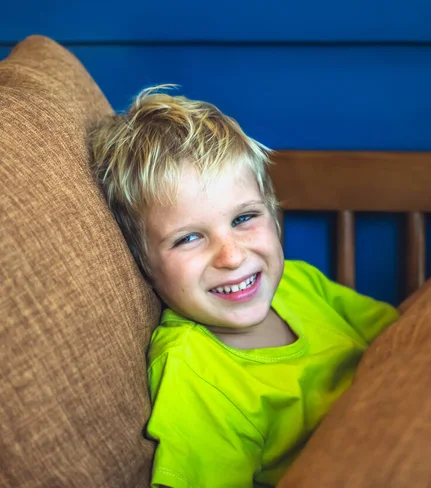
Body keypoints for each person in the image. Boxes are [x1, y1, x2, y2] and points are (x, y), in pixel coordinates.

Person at [89, 85, 400, 487]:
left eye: (243, 219)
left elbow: (404, 339)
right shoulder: (195, 376)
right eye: (189, 238)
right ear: (142, 261)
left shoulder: (299, 281)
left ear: (272, 212)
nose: (231, 256)